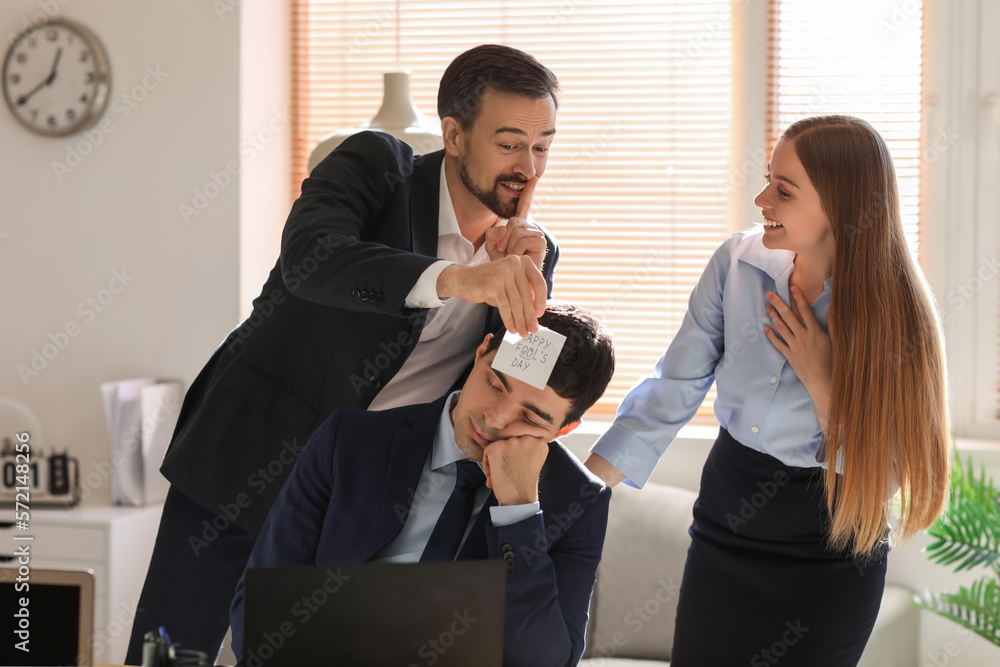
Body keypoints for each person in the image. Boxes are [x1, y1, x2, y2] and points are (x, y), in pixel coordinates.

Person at [126, 44, 562, 664]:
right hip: (247, 459)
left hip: (358, 495)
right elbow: (311, 259)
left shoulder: (527, 253)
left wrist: (532, 283)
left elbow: (515, 385)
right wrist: (457, 279)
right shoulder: (377, 166)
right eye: (510, 142)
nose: (529, 166)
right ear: (455, 135)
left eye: (543, 146)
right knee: (168, 652)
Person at [584, 115, 950, 666]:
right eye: (767, 180)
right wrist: (585, 486)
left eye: (783, 190)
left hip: (835, 543)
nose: (761, 199)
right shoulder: (736, 265)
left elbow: (895, 470)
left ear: (841, 204)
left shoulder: (899, 314)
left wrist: (823, 379)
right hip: (728, 521)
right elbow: (674, 386)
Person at [228, 302, 615, 667]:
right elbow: (259, 608)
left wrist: (518, 512)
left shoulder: (580, 501)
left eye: (530, 419)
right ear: (481, 353)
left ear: (563, 430)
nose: (495, 420)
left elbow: (544, 660)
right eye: (495, 384)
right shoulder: (349, 441)